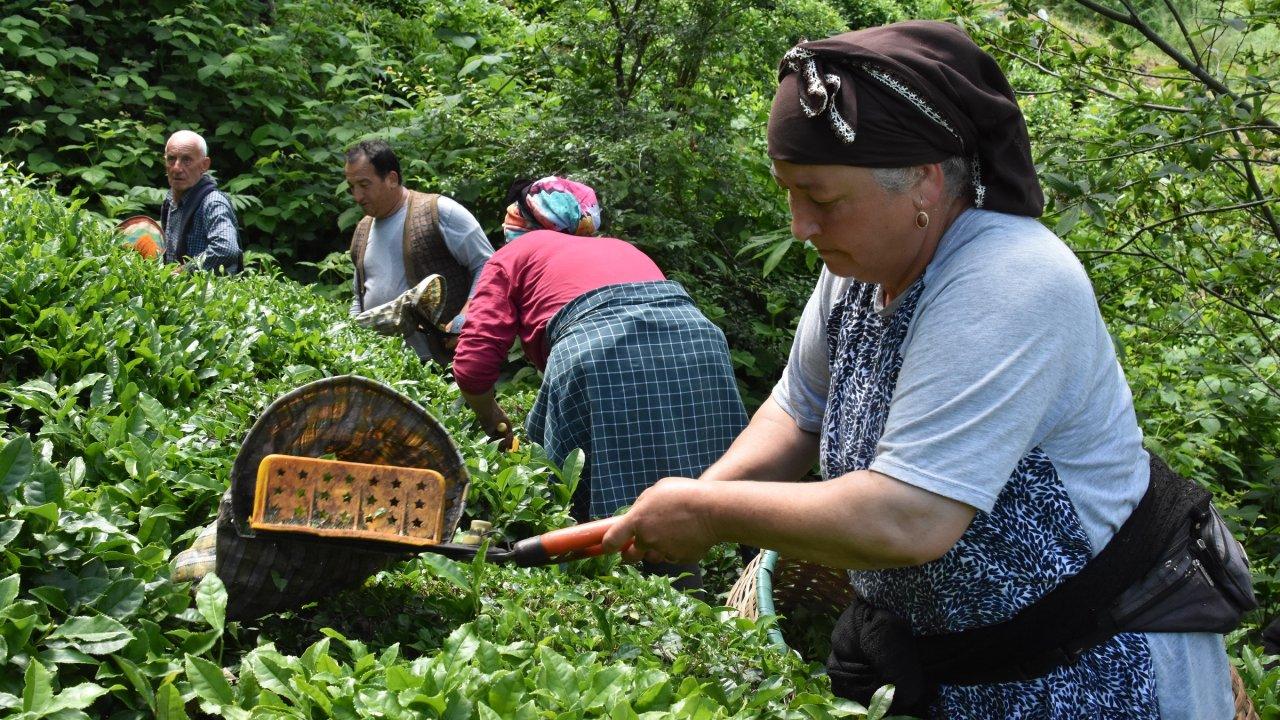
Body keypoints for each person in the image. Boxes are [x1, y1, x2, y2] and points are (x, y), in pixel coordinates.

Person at [599, 20, 1246, 718]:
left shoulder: (1010, 279)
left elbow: (910, 518)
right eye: (789, 190)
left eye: (821, 198)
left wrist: (708, 513)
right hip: (947, 665)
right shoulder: (858, 268)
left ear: (924, 185)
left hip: (1082, 675)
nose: (799, 225)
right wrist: (688, 501)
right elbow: (798, 408)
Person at [453, 176, 748, 585]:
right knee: (676, 493)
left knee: (550, 493)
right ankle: (685, 597)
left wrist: (493, 422)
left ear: (518, 223)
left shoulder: (514, 253)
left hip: (598, 348)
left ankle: (568, 591)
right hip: (699, 344)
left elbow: (473, 364)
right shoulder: (622, 248)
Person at [344, 140, 494, 364]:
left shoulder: (439, 211)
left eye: (364, 185)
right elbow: (360, 297)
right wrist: (351, 338)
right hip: (384, 367)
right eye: (352, 187)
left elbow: (489, 265)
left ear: (392, 179)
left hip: (446, 362)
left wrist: (466, 316)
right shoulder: (363, 230)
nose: (357, 196)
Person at [160, 130, 242, 273]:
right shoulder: (170, 199)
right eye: (171, 159)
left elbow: (227, 249)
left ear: (204, 165)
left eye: (187, 160)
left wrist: (183, 271)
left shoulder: (212, 202)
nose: (177, 168)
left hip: (209, 293)